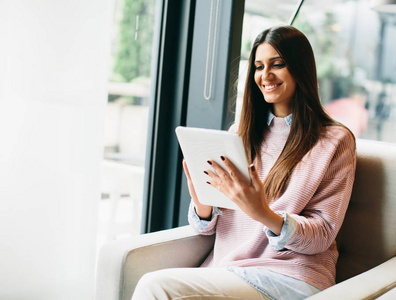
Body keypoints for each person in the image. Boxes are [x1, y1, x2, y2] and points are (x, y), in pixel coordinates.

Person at [132, 25, 357, 300]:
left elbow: (322, 233)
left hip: (292, 278)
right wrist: (203, 206)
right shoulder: (238, 135)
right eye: (259, 67)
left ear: (300, 69)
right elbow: (209, 226)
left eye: (278, 64)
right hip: (230, 270)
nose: (266, 75)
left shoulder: (334, 140)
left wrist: (263, 213)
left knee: (154, 286)